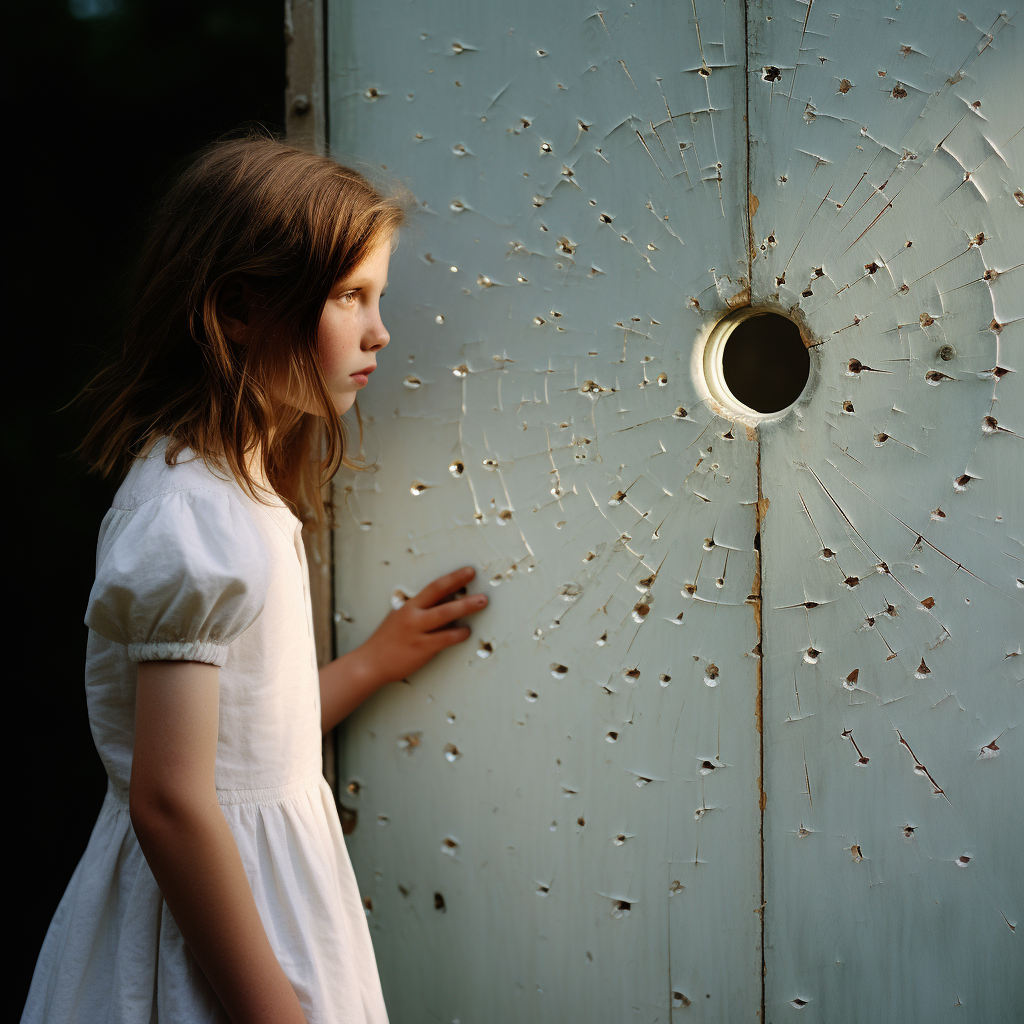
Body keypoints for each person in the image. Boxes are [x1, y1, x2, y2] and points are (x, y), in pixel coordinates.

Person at [21, 134, 488, 1024]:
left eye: (375, 297)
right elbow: (170, 799)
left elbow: (243, 740)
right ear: (239, 307)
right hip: (210, 946)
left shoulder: (234, 496)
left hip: (261, 905)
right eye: (351, 296)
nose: (379, 331)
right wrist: (271, 1010)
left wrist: (371, 664)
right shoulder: (192, 519)